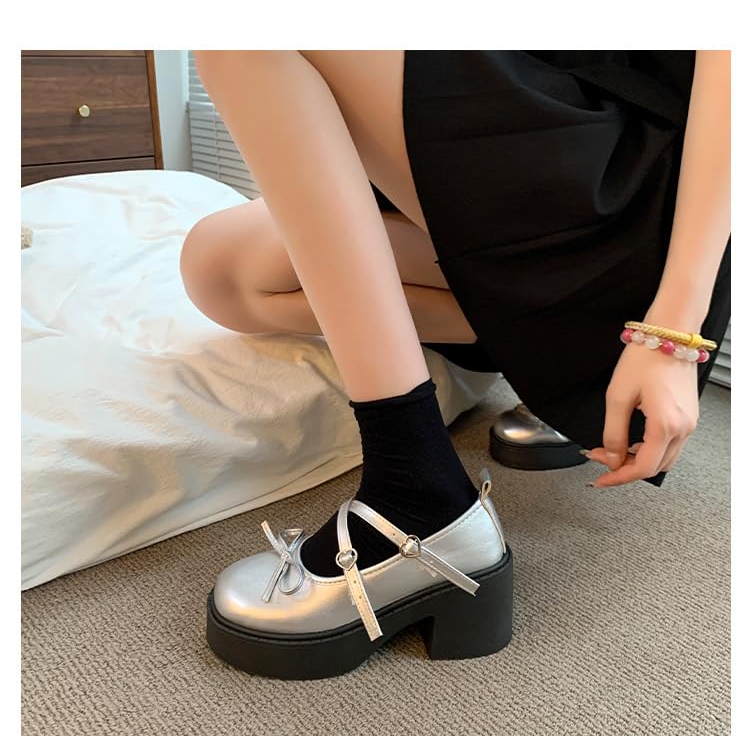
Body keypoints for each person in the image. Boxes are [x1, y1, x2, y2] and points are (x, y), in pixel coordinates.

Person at [179, 50, 730, 678]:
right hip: (534, 124)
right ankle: (564, 350)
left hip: (636, 177)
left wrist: (672, 331)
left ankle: (417, 489)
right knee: (220, 270)